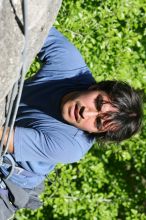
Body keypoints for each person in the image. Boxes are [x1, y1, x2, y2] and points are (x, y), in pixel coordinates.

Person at [0, 27, 143, 218]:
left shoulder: (70, 146)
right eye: (98, 102)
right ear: (95, 86)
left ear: (95, 134)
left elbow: (2, 137)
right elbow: (31, 24)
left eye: (98, 122)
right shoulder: (70, 67)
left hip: (10, 178)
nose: (87, 112)